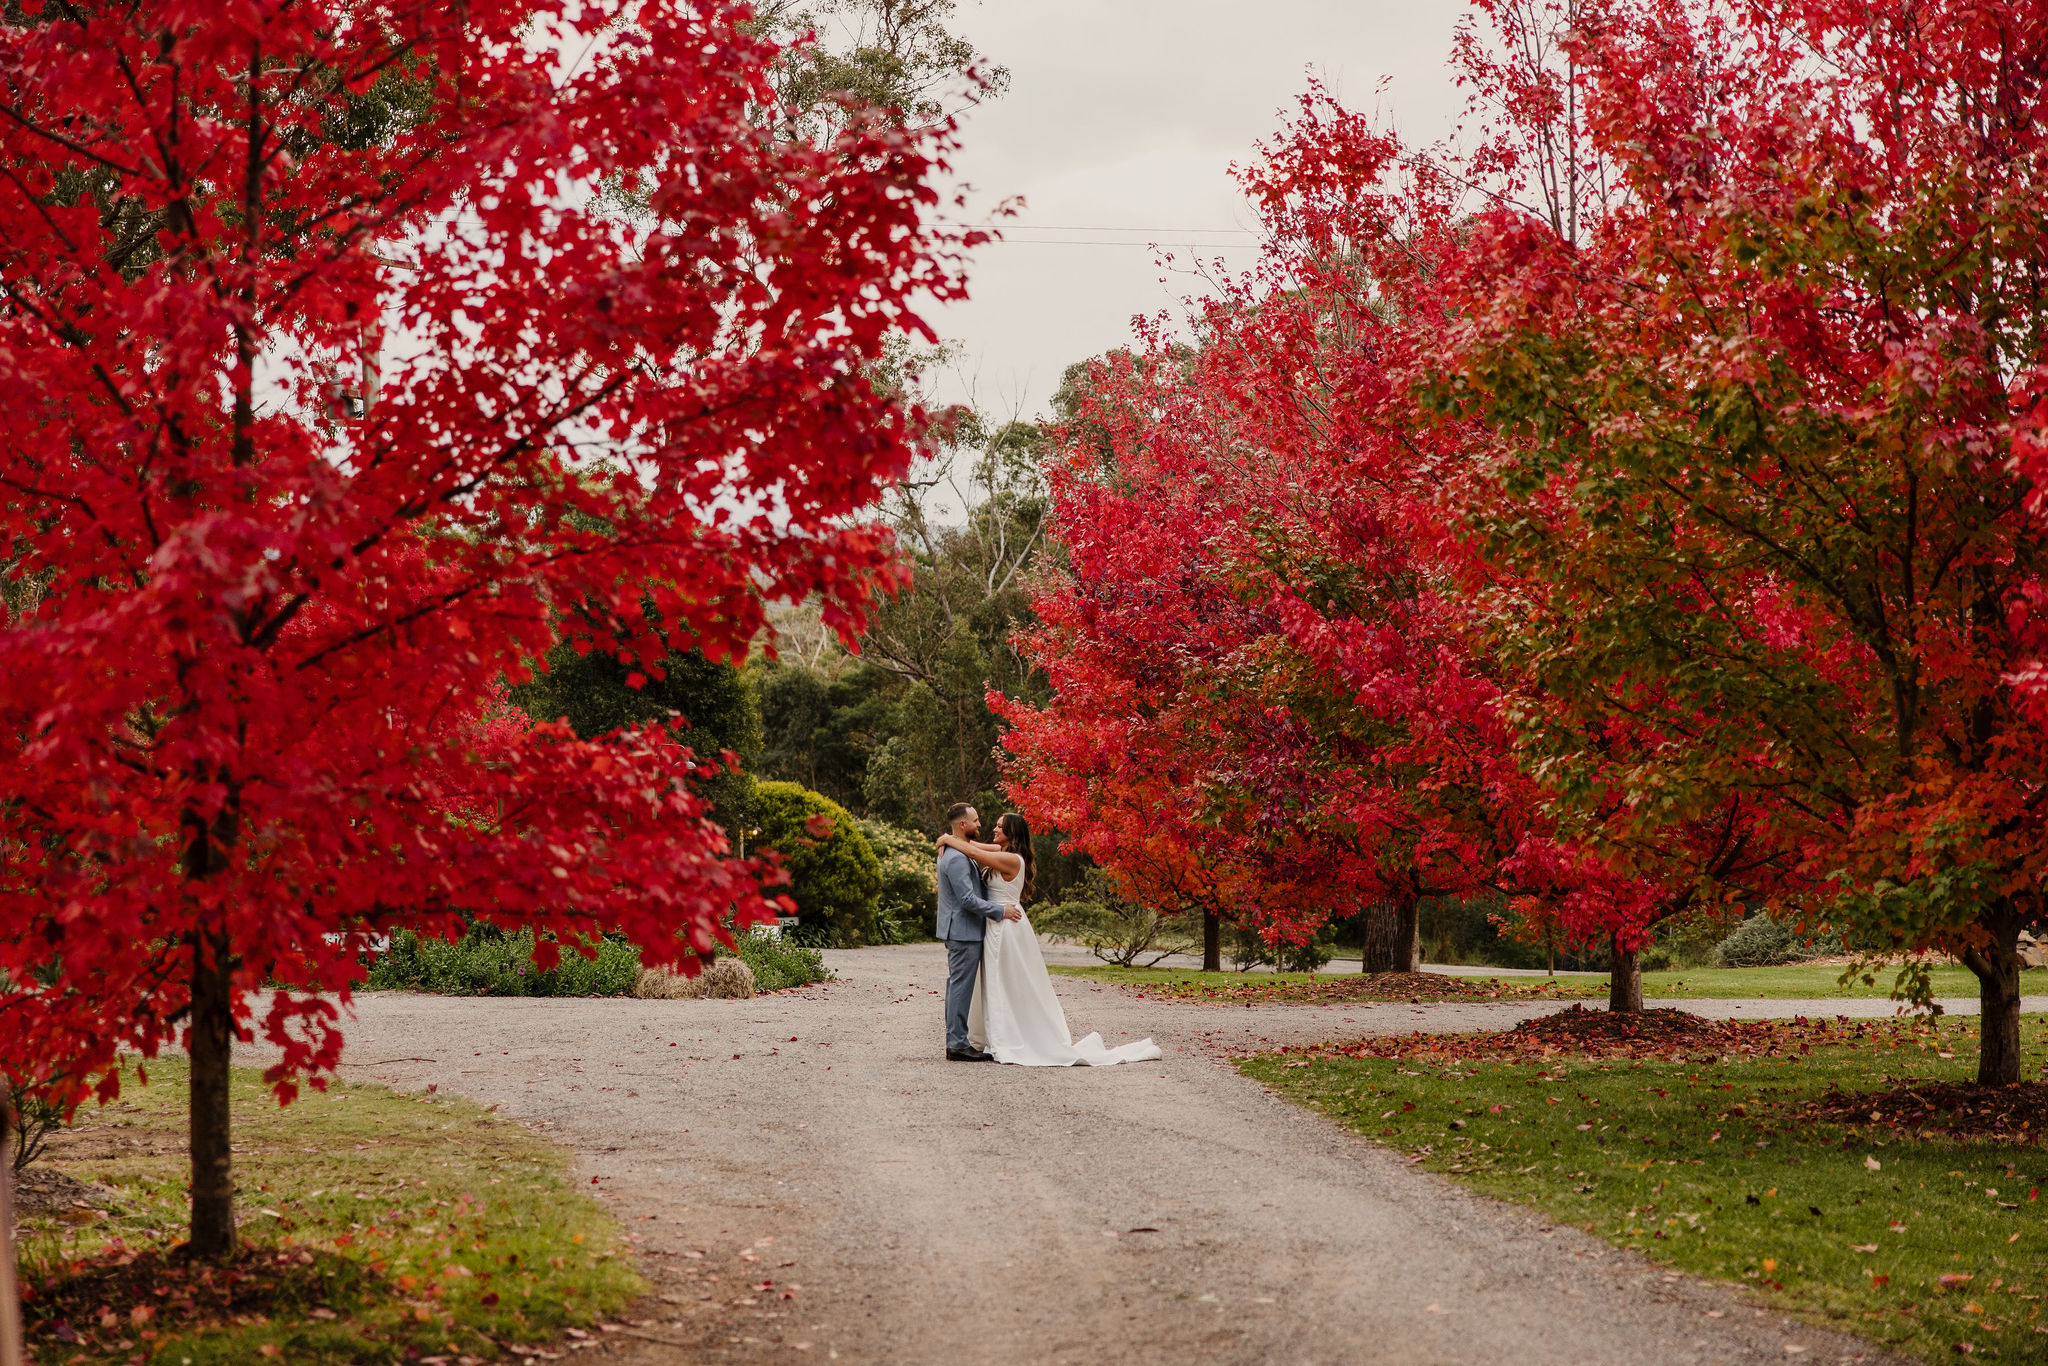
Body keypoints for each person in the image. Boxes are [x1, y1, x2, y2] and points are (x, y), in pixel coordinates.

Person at [942, 812, 1163, 1068]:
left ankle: (1009, 1037)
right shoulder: (1000, 851)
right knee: (996, 981)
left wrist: (946, 838)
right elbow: (970, 845)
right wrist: (948, 838)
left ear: (1012, 834)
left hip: (1006, 927)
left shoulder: (1010, 858)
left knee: (1006, 981)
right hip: (995, 924)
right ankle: (997, 1034)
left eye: (1000, 827)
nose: (993, 829)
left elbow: (972, 852)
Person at [936, 802, 1019, 1062]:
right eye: (975, 821)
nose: (980, 825)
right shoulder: (957, 857)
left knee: (956, 986)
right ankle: (957, 1044)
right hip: (963, 930)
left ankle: (957, 1041)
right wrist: (1000, 911)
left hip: (963, 930)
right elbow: (968, 901)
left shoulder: (958, 851)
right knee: (960, 987)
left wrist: (947, 838)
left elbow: (987, 851)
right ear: (963, 825)